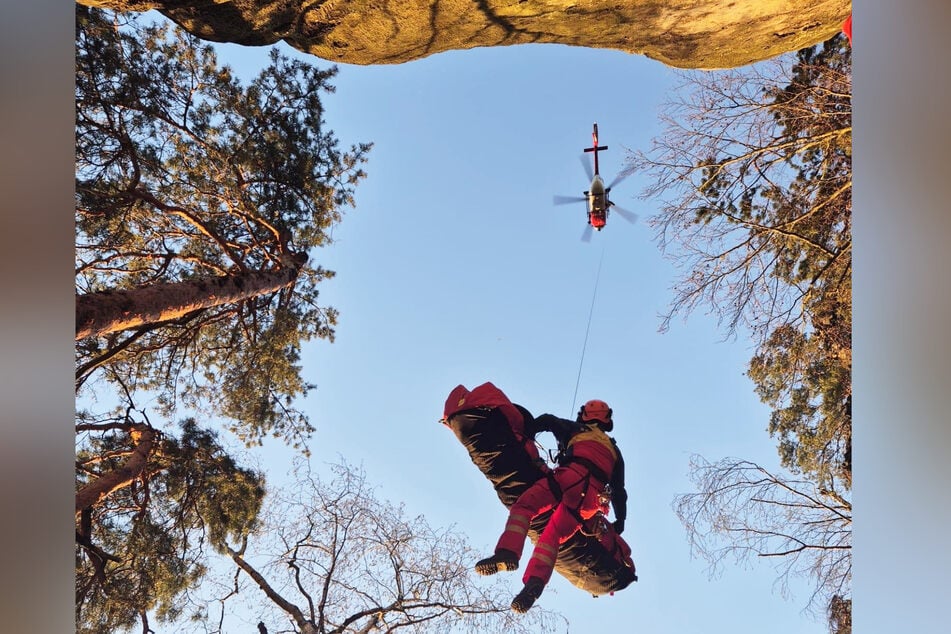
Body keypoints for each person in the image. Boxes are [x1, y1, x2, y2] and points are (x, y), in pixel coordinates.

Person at [475, 399, 628, 613]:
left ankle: (508, 552)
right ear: (607, 419)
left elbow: (548, 420)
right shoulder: (615, 451)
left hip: (570, 478)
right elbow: (619, 492)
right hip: (591, 501)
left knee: (525, 507)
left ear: (584, 415)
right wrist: (620, 521)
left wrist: (529, 430)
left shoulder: (576, 429)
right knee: (552, 538)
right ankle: (534, 583)